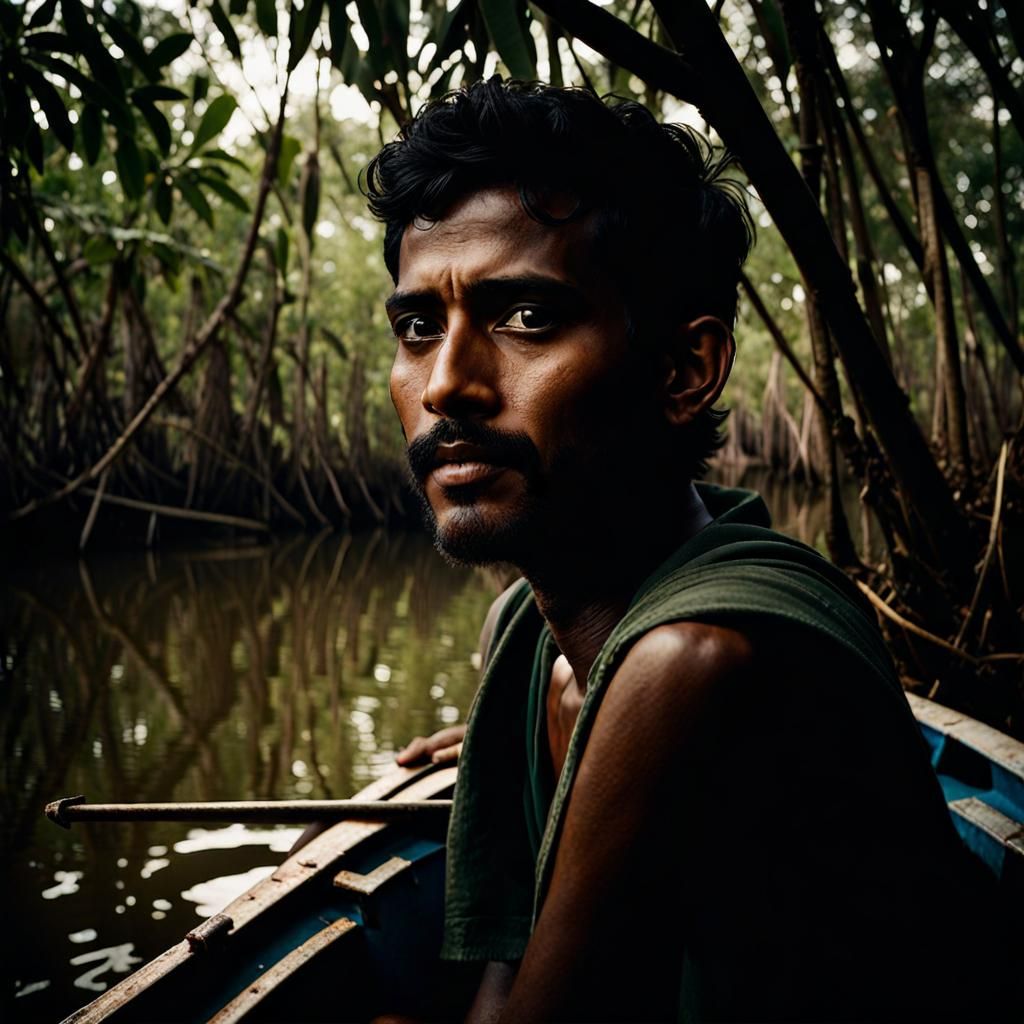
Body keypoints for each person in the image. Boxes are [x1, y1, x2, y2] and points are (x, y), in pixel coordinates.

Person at [366, 79, 1010, 1022]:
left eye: (528, 318)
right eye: (419, 326)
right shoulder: (528, 630)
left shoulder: (693, 662)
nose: (448, 384)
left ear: (683, 371)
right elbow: (504, 980)